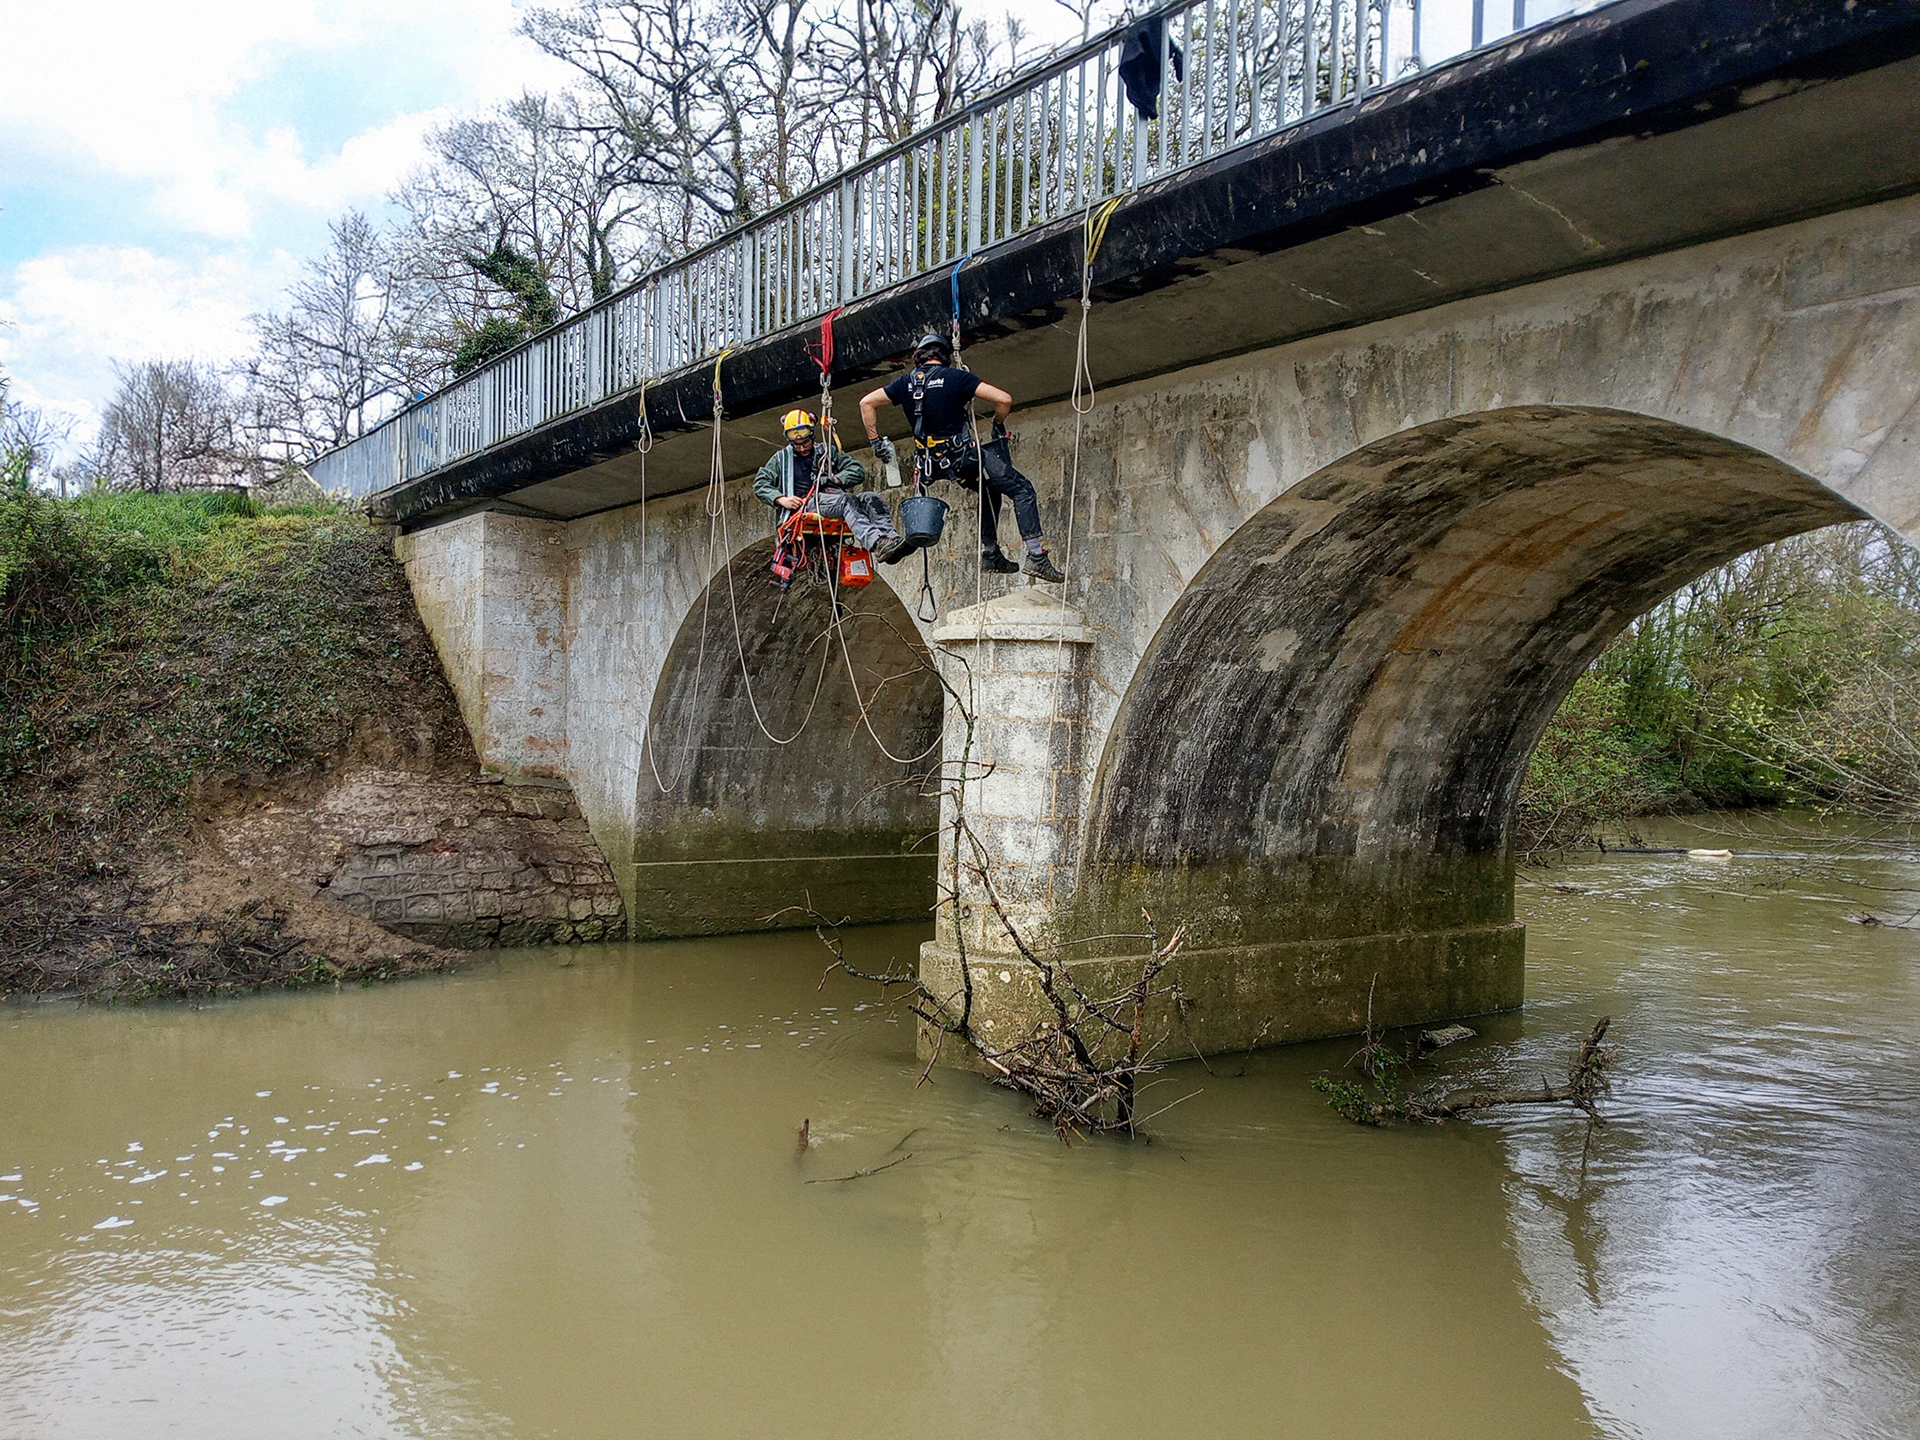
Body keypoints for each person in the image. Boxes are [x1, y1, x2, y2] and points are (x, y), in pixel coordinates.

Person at [859, 333, 1065, 582]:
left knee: (990, 489)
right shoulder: (957, 378)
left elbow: (866, 403)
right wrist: (998, 422)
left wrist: (874, 440)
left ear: (920, 357)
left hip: (931, 465)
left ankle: (991, 554)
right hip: (961, 456)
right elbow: (1004, 399)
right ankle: (1036, 556)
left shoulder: (904, 383)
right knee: (1022, 489)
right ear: (944, 357)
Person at [753, 408, 912, 564]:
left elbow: (857, 471)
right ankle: (877, 543)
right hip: (807, 504)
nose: (802, 448)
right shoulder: (781, 459)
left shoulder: (827, 451)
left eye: (806, 442)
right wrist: (781, 499)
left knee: (871, 498)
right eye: (797, 444)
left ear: (812, 435)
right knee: (846, 501)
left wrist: (834, 480)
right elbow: (761, 483)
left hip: (834, 499)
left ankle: (891, 539)